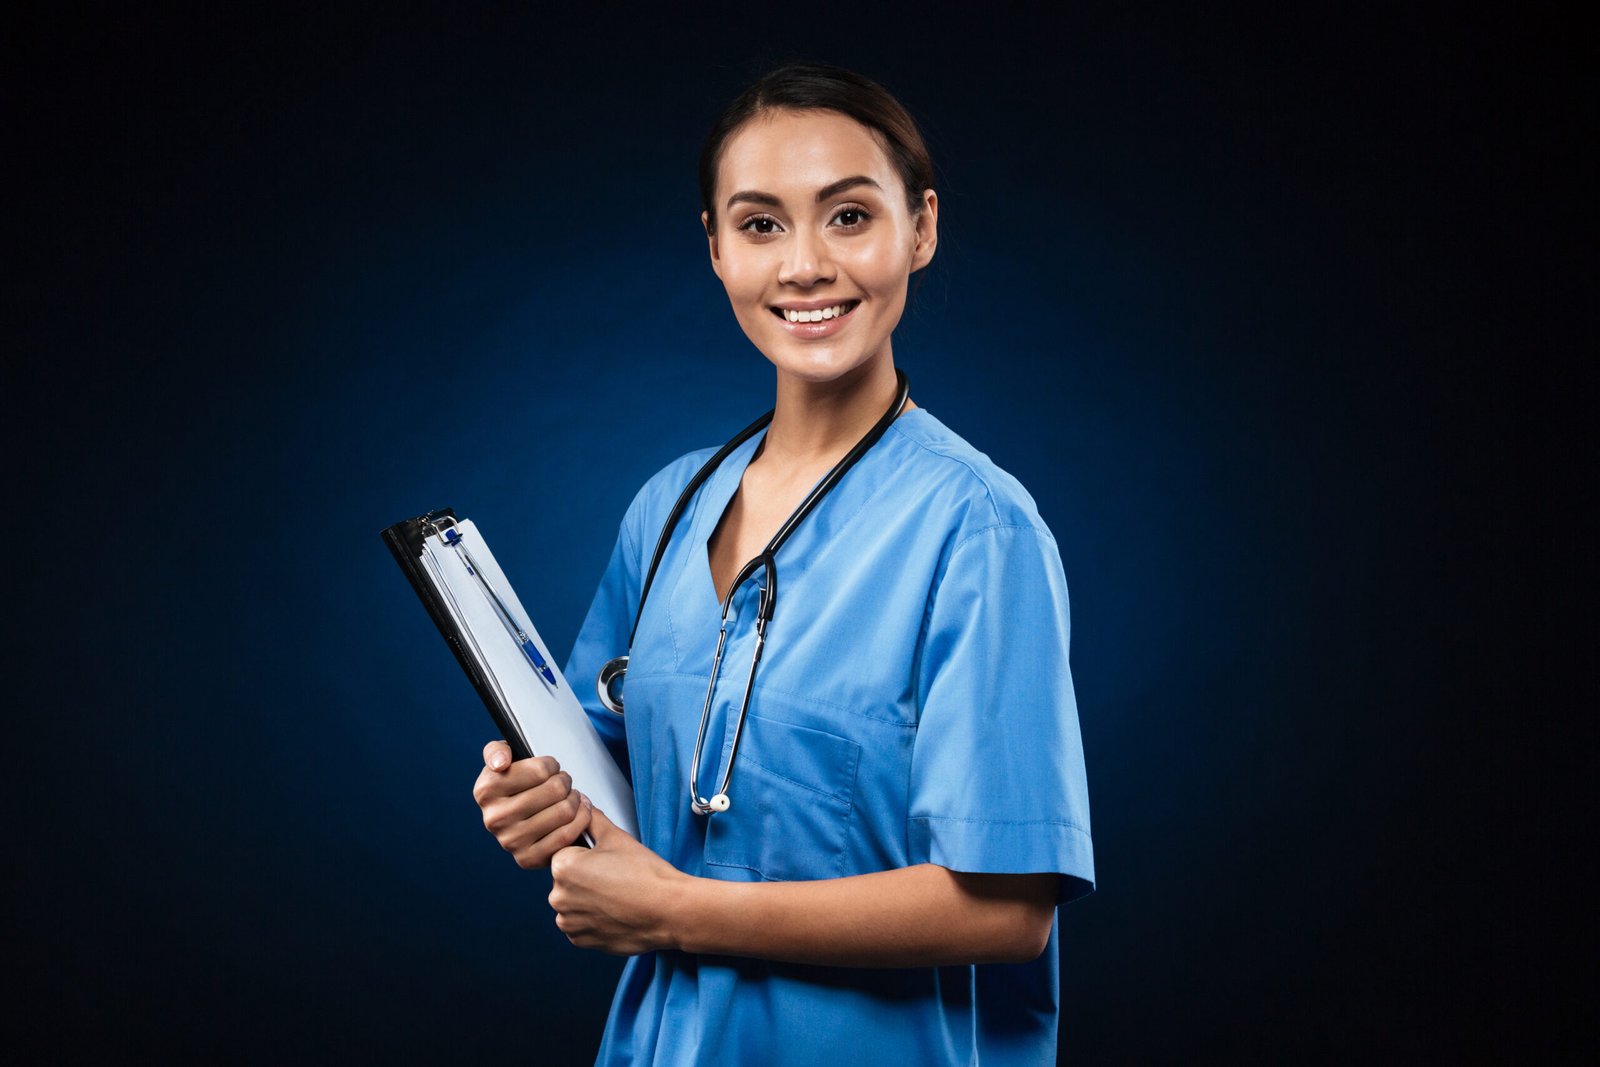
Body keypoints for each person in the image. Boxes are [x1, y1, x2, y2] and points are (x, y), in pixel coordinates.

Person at [472, 63, 1094, 1064]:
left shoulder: (976, 528)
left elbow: (1008, 910)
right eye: (761, 224)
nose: (804, 265)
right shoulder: (669, 505)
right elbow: (612, 788)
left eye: (848, 216)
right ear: (715, 247)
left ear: (920, 229)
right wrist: (537, 797)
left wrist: (681, 908)